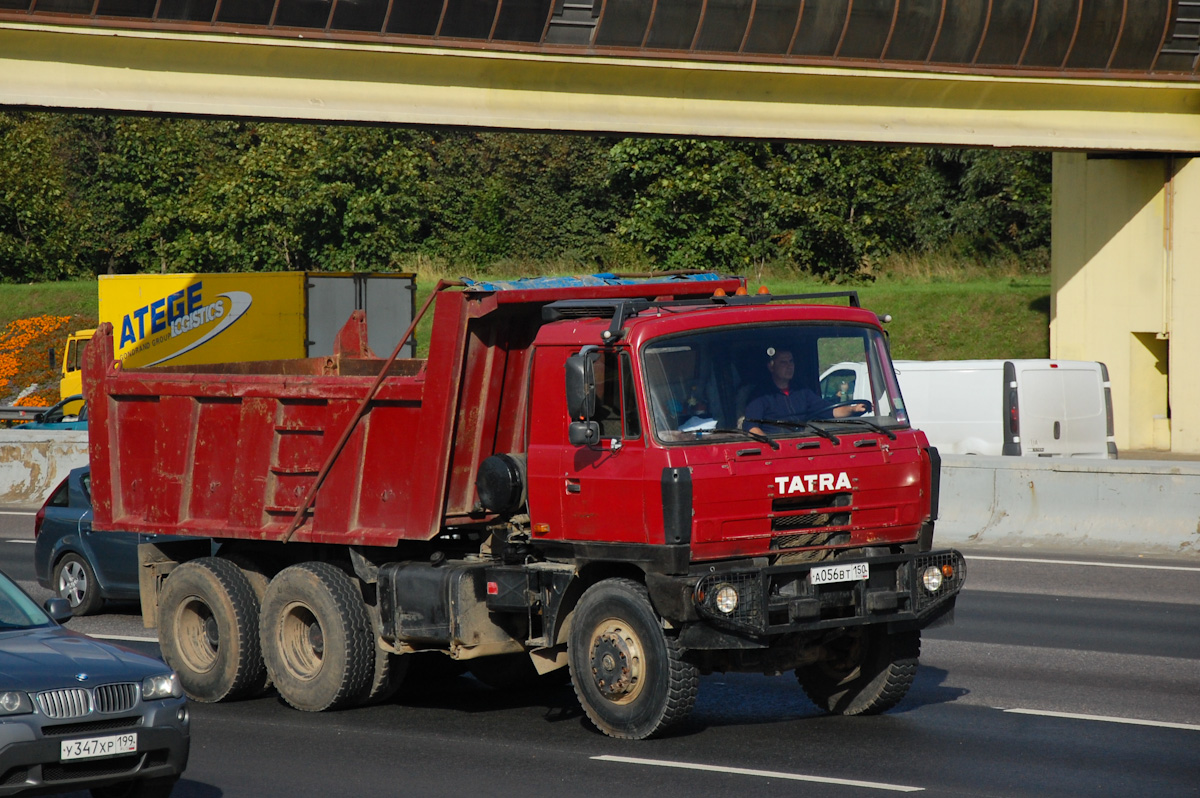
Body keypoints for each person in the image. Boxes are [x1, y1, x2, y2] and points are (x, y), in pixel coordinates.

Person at [743, 348, 868, 435]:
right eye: (783, 362)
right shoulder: (760, 395)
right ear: (771, 366)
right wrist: (771, 446)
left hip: (804, 443)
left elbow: (831, 411)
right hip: (777, 447)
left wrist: (853, 409)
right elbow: (751, 427)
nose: (789, 366)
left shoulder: (802, 392)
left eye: (791, 361)